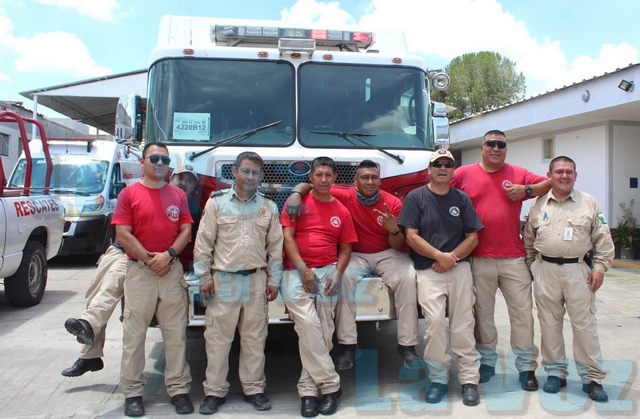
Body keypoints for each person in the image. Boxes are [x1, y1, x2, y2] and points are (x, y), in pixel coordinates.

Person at [287, 159, 420, 370]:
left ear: (380, 181)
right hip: (356, 254)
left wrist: (393, 229)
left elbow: (398, 244)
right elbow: (313, 185)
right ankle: (348, 345)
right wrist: (295, 193)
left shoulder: (392, 203)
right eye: (364, 177)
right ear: (355, 180)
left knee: (408, 278)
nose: (370, 182)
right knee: (343, 278)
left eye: (374, 178)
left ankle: (407, 345)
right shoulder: (343, 195)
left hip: (388, 253)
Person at [450, 129, 549, 390]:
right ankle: (487, 362)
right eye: (491, 144)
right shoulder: (463, 174)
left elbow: (548, 183)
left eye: (501, 145)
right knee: (483, 316)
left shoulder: (518, 172)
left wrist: (526, 189)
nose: (496, 148)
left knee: (523, 316)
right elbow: (440, 191)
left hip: (514, 258)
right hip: (478, 257)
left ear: (506, 149)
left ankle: (526, 367)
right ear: (482, 147)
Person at [193, 152, 283, 415]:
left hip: (256, 280)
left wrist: (274, 280)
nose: (250, 176)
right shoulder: (217, 203)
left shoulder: (269, 207)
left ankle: (254, 389)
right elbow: (203, 243)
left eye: (255, 172)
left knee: (255, 339)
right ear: (234, 172)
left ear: (261, 176)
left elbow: (275, 248)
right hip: (224, 280)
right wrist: (204, 278)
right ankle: (214, 392)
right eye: (245, 171)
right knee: (217, 340)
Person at [113, 142, 194, 417]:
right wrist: (150, 260)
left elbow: (185, 231)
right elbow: (123, 234)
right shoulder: (128, 194)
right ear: (143, 161)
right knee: (134, 335)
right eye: (154, 158)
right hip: (140, 272)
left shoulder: (178, 195)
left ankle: (179, 390)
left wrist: (168, 255)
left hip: (171, 272)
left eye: (165, 159)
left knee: (176, 335)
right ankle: (133, 393)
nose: (160, 163)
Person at [524, 156, 614, 402]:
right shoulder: (538, 204)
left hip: (578, 272)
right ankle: (555, 373)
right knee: (549, 324)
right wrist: (534, 267)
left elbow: (603, 238)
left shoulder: (588, 203)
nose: (564, 176)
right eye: (559, 172)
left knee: (584, 326)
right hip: (546, 271)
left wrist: (599, 268)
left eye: (569, 172)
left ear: (576, 176)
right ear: (549, 175)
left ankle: (592, 379)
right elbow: (529, 240)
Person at [398, 149, 483, 406]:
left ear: (453, 170)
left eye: (447, 164)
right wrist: (439, 257)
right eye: (438, 164)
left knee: (463, 325)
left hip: (459, 269)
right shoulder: (416, 198)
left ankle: (469, 381)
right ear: (429, 169)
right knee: (434, 326)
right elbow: (410, 236)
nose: (442, 168)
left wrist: (450, 259)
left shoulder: (462, 198)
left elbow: (473, 237)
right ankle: (438, 380)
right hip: (428, 271)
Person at [280, 156, 358, 418]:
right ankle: (332, 386)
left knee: (324, 332)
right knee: (309, 324)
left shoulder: (341, 211)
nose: (323, 179)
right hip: (295, 271)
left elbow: (345, 248)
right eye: (319, 174)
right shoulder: (296, 204)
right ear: (310, 177)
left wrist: (337, 273)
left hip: (328, 271)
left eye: (328, 175)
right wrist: (303, 270)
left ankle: (308, 392)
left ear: (335, 178)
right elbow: (288, 239)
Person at [62, 242, 127, 377]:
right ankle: (90, 356)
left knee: (111, 286)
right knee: (93, 296)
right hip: (118, 249)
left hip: (138, 251)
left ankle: (89, 323)